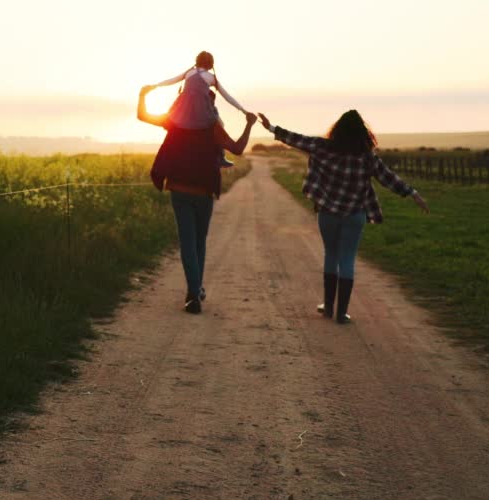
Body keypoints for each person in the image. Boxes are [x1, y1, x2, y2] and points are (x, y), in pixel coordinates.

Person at [257, 110, 429, 323]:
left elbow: (297, 140)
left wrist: (271, 127)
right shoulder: (367, 157)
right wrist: (412, 193)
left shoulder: (322, 147)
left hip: (328, 213)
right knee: (347, 258)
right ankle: (342, 313)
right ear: (363, 133)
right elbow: (388, 178)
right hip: (355, 214)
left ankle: (328, 307)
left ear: (337, 130)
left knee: (331, 254)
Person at [138, 85, 255, 314]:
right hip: (204, 191)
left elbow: (143, 116)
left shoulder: (175, 121)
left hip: (179, 190)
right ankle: (195, 291)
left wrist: (143, 95)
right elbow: (238, 149)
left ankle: (194, 292)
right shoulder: (212, 127)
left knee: (188, 243)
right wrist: (249, 125)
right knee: (199, 242)